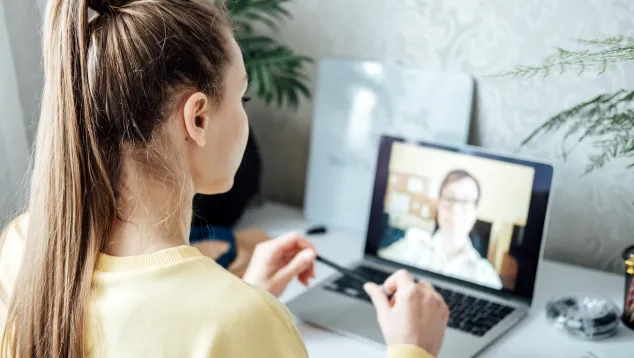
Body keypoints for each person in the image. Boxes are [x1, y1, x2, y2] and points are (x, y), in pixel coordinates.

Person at [0, 1, 449, 357]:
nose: (246, 112)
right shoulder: (243, 324)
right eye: (243, 95)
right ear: (197, 117)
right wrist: (413, 348)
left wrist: (240, 295)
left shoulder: (23, 247)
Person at [380, 170, 503, 289]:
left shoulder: (486, 276)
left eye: (466, 201)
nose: (455, 209)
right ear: (438, 204)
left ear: (475, 212)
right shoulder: (407, 250)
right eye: (449, 198)